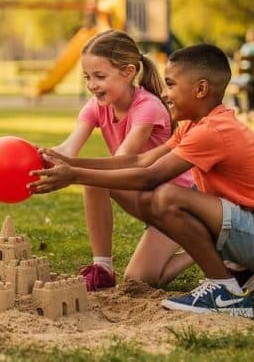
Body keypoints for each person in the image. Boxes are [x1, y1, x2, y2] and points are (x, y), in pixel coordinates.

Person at [30, 44, 254, 318]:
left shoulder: (212, 130)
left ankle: (226, 293)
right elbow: (139, 161)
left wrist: (74, 175)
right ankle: (234, 273)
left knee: (168, 196)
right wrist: (69, 164)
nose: (163, 92)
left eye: (171, 84)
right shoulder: (191, 125)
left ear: (200, 89)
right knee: (147, 255)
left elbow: (150, 177)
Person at [49, 30, 194, 291]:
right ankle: (102, 268)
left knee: (93, 181)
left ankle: (206, 244)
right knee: (137, 280)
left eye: (100, 76)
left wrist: (74, 171)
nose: (92, 85)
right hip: (146, 196)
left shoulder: (148, 107)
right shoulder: (96, 106)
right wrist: (45, 158)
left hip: (177, 203)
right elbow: (69, 148)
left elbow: (125, 161)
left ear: (128, 73)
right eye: (87, 77)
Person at [230, 27, 254, 121]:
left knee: (232, 83)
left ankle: (237, 106)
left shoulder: (248, 47)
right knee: (251, 87)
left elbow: (241, 62)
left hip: (249, 79)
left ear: (253, 36)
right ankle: (253, 110)